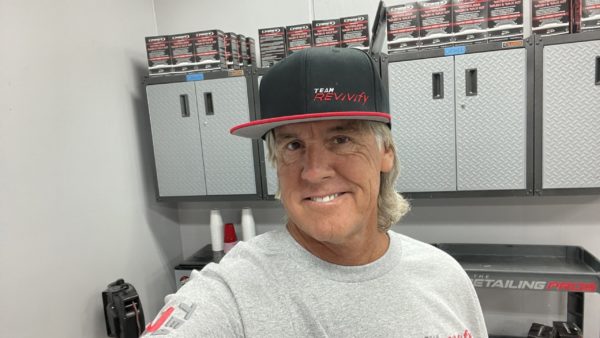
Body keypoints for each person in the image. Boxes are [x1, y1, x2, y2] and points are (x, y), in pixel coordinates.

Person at [143, 47, 488, 338]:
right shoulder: (234, 289)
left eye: (341, 139)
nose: (313, 171)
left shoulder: (445, 277)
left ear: (386, 153)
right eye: (293, 145)